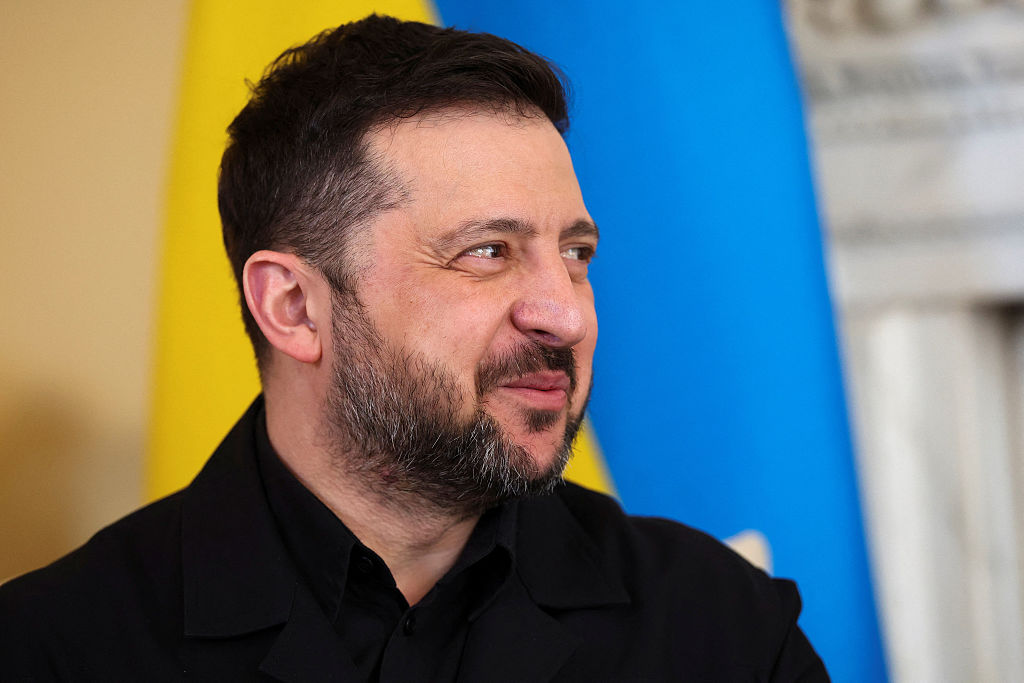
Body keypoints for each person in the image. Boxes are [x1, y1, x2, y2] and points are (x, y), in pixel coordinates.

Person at [0, 15, 828, 681]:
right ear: (293, 306)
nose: (566, 316)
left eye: (575, 254)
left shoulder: (722, 627)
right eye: (488, 252)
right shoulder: (53, 649)